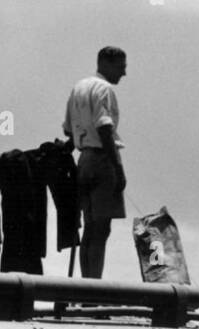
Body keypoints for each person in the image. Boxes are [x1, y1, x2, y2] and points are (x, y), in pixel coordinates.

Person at [63, 46, 127, 279]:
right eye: (121, 67)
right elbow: (104, 128)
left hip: (84, 160)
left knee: (90, 229)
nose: (123, 73)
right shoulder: (104, 89)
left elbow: (68, 129)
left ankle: (85, 289)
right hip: (102, 160)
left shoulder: (79, 87)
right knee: (101, 230)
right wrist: (118, 169)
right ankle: (94, 291)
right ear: (106, 63)